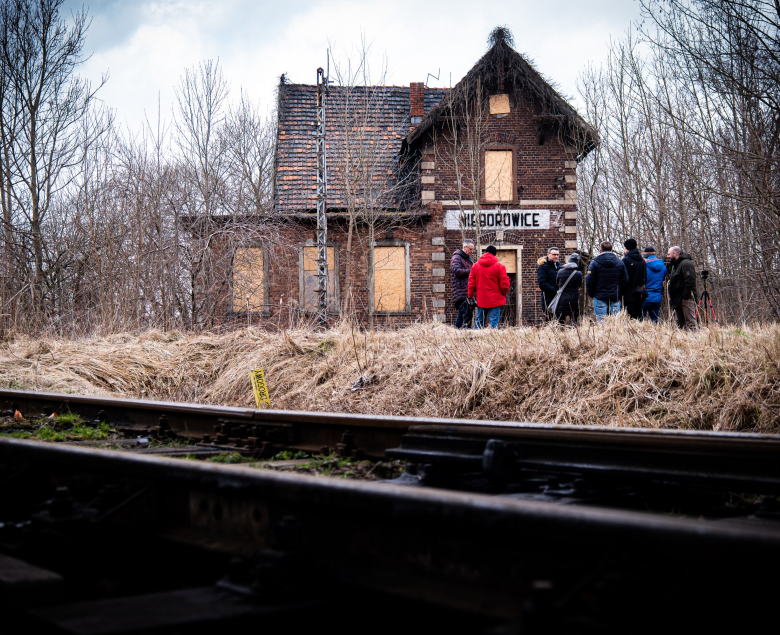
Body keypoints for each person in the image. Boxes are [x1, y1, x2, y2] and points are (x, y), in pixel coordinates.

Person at [467, 245, 510, 329]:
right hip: (495, 300)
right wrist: (503, 294)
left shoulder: (475, 266)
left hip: (481, 300)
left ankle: (476, 337)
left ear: (485, 253)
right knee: (494, 324)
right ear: (494, 254)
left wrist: (470, 296)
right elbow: (505, 285)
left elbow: (471, 284)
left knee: (479, 323)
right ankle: (493, 337)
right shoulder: (500, 267)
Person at [585, 241, 628, 322]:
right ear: (611, 249)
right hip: (614, 296)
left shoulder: (595, 262)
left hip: (599, 296)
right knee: (615, 322)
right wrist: (619, 293)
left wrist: (591, 294)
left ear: (600, 250)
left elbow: (589, 280)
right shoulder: (620, 262)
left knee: (601, 322)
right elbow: (625, 280)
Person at [667, 246, 697, 330]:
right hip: (677, 298)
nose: (667, 256)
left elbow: (690, 280)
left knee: (690, 322)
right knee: (680, 323)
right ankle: (682, 337)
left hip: (685, 298)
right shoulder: (676, 265)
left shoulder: (686, 263)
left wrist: (685, 296)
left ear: (675, 253)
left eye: (669, 254)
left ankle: (695, 336)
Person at [450, 239, 475, 328]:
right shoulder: (456, 258)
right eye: (470, 249)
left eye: (473, 249)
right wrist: (471, 271)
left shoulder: (468, 259)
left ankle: (464, 333)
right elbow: (456, 271)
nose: (472, 251)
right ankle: (457, 332)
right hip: (461, 292)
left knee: (468, 315)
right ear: (464, 247)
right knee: (463, 314)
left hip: (468, 292)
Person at [621, 238, 647, 320]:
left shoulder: (625, 260)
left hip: (628, 294)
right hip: (639, 293)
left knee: (629, 317)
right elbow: (645, 277)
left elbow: (624, 278)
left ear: (627, 248)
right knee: (639, 316)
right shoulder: (642, 260)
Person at [555, 253, 583, 325]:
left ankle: (560, 331)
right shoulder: (579, 274)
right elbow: (579, 285)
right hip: (574, 299)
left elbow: (557, 283)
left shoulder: (560, 272)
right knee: (574, 320)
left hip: (562, 299)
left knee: (561, 321)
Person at [642, 246, 667, 323]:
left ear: (645, 256)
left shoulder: (644, 266)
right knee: (654, 320)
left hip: (645, 296)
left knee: (640, 320)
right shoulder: (663, 266)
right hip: (657, 297)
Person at [536, 247, 560, 318]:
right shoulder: (543, 267)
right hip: (548, 299)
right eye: (554, 254)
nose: (556, 256)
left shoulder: (559, 267)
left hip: (559, 298)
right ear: (548, 254)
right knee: (550, 319)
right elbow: (542, 283)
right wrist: (555, 291)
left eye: (557, 255)